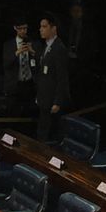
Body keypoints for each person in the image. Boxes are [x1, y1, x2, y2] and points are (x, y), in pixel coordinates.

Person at [33, 12, 70, 140]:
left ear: (53, 28)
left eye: (44, 27)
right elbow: (42, 75)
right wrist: (39, 95)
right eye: (40, 27)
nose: (41, 29)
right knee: (42, 131)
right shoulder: (46, 46)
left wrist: (58, 102)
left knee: (50, 133)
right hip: (44, 98)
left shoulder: (59, 48)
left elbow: (62, 78)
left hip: (52, 100)